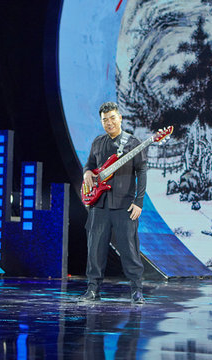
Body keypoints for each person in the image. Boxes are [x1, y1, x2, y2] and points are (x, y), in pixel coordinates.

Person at [79, 102, 147, 304]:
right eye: (105, 120)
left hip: (125, 205)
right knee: (95, 249)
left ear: (120, 118)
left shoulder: (132, 143)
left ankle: (136, 290)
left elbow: (142, 171)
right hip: (99, 205)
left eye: (112, 118)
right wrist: (87, 172)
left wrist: (139, 202)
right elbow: (89, 165)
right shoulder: (97, 142)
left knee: (129, 249)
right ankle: (93, 289)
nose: (109, 123)